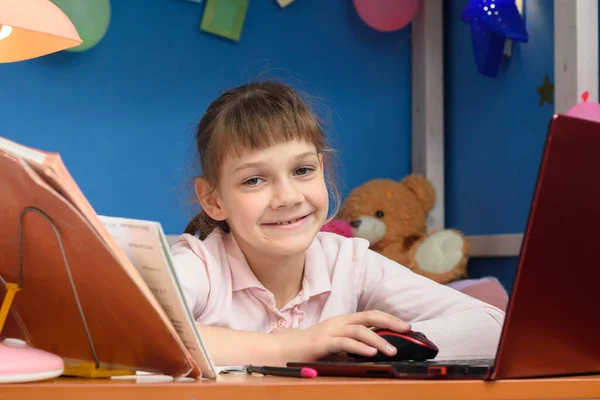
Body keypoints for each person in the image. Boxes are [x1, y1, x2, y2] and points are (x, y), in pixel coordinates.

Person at [171, 80, 505, 367]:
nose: (288, 197)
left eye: (302, 171)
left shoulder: (349, 262)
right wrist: (295, 346)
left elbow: (492, 326)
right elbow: (132, 340)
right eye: (255, 180)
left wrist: (357, 347)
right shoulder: (199, 266)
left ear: (323, 169)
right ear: (213, 199)